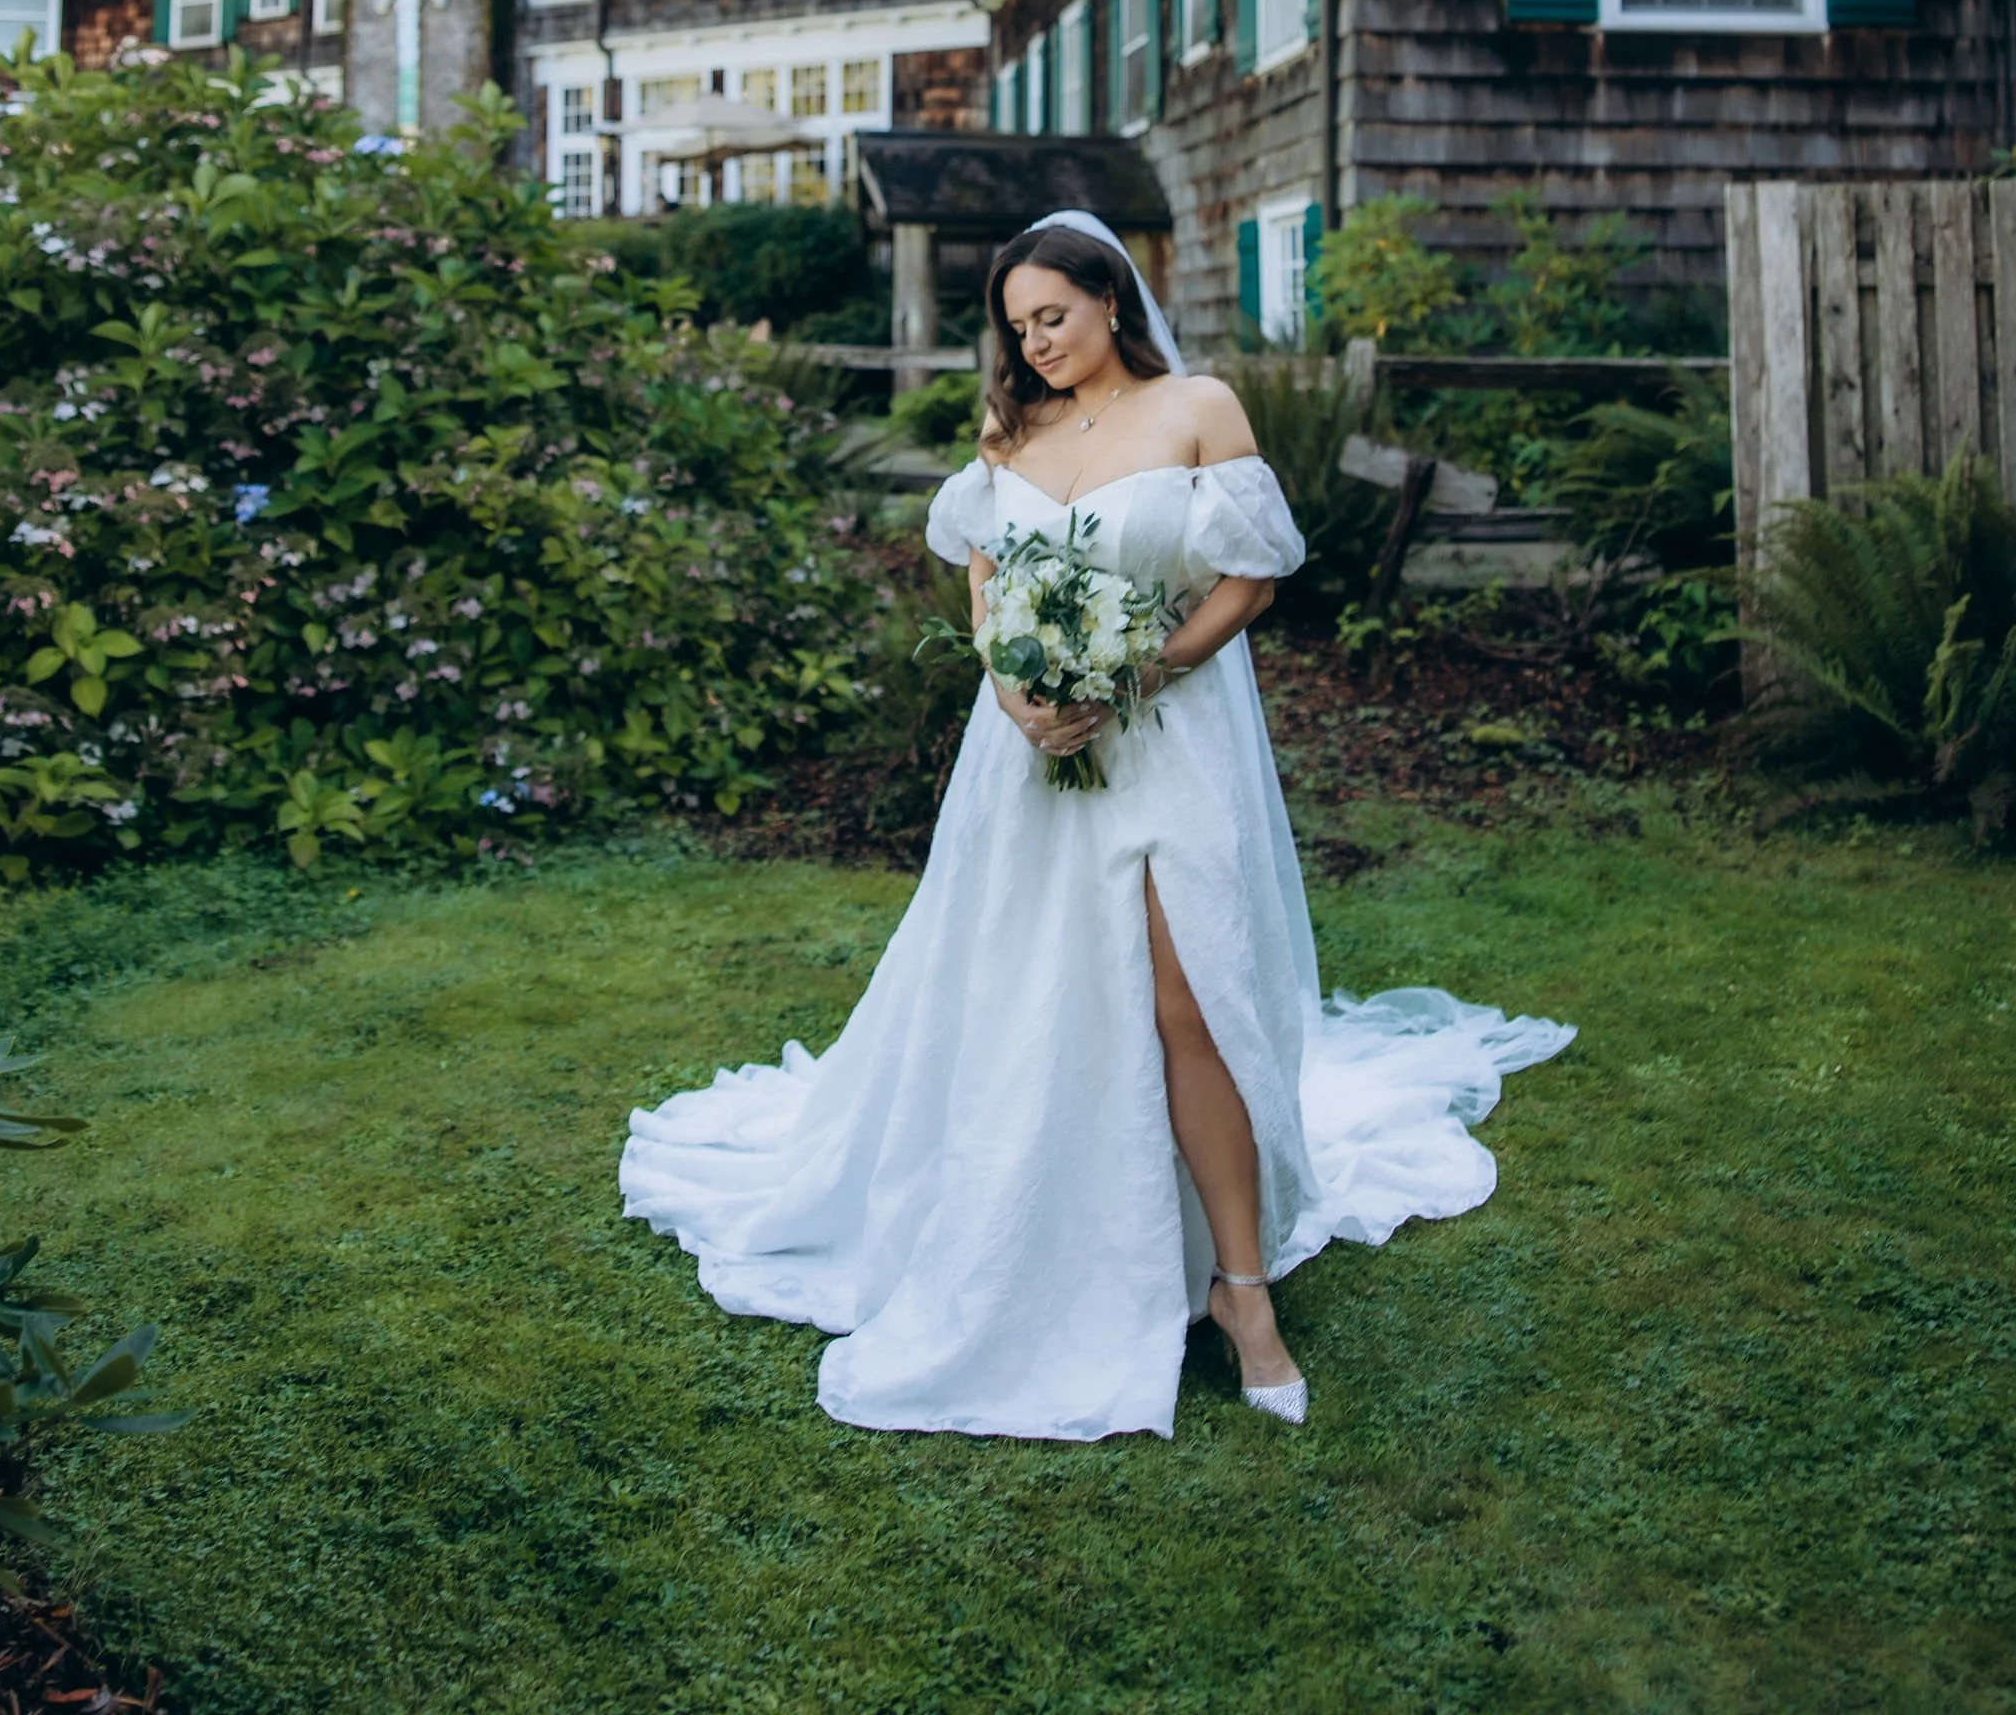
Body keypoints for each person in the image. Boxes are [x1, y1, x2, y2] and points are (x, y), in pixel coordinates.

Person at [619, 211, 1574, 1441]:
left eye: (1052, 317)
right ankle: (1058, 1235)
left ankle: (1240, 1294)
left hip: (1170, 746)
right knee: (1034, 1001)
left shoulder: (1197, 408)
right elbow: (980, 578)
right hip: (1028, 765)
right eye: (1018, 327)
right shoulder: (1006, 430)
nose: (1037, 342)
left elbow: (1253, 576)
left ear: (1110, 302)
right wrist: (1015, 685)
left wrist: (1141, 672)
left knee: (1194, 1004)